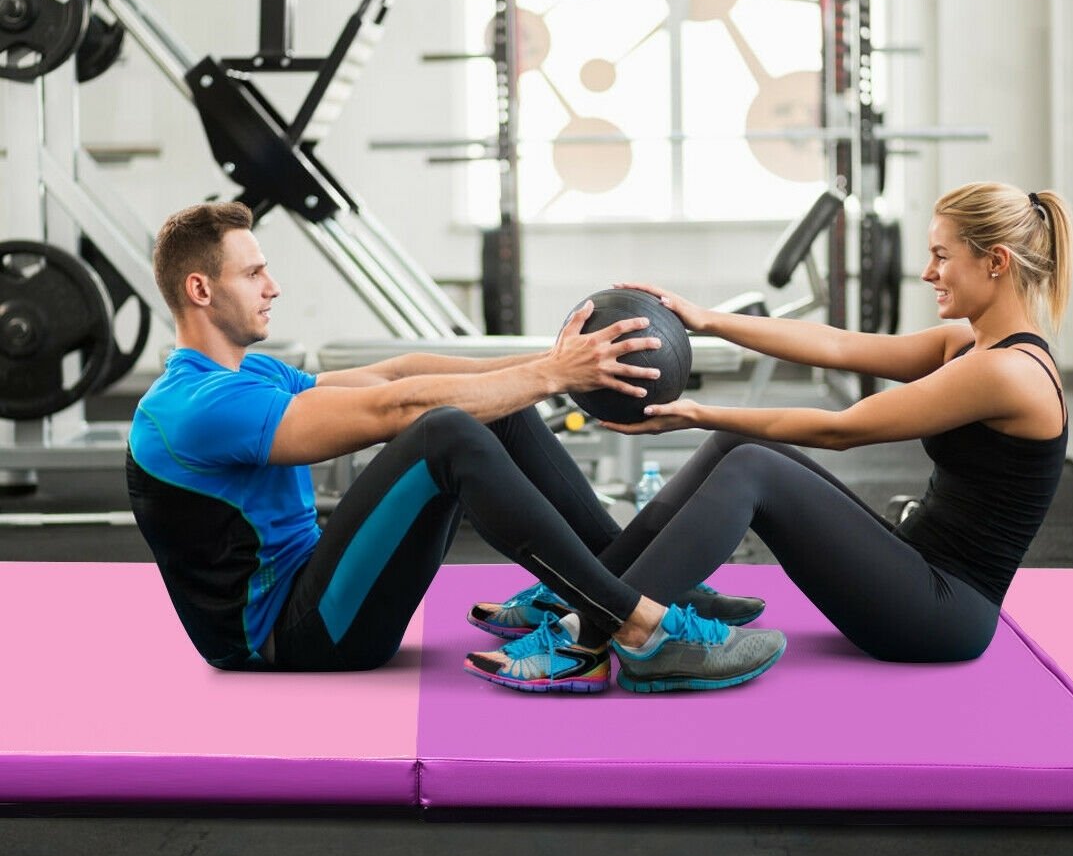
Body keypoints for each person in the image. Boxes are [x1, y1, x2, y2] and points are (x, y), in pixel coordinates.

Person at [124, 201, 785, 694]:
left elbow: (397, 373)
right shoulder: (193, 410)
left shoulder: (248, 373)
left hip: (323, 589)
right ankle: (639, 627)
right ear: (201, 290)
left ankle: (635, 581)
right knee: (445, 429)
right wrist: (556, 376)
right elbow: (397, 408)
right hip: (293, 639)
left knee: (493, 409)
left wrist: (555, 361)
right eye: (254, 273)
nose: (273, 286)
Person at [479, 182, 1072, 665]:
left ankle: (586, 633)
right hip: (915, 569)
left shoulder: (1008, 373)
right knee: (739, 443)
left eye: (942, 256)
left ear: (995, 262)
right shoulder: (968, 345)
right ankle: (587, 589)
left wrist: (694, 414)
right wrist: (706, 319)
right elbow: (837, 345)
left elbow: (845, 428)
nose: (926, 272)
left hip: (942, 615)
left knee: (753, 465)